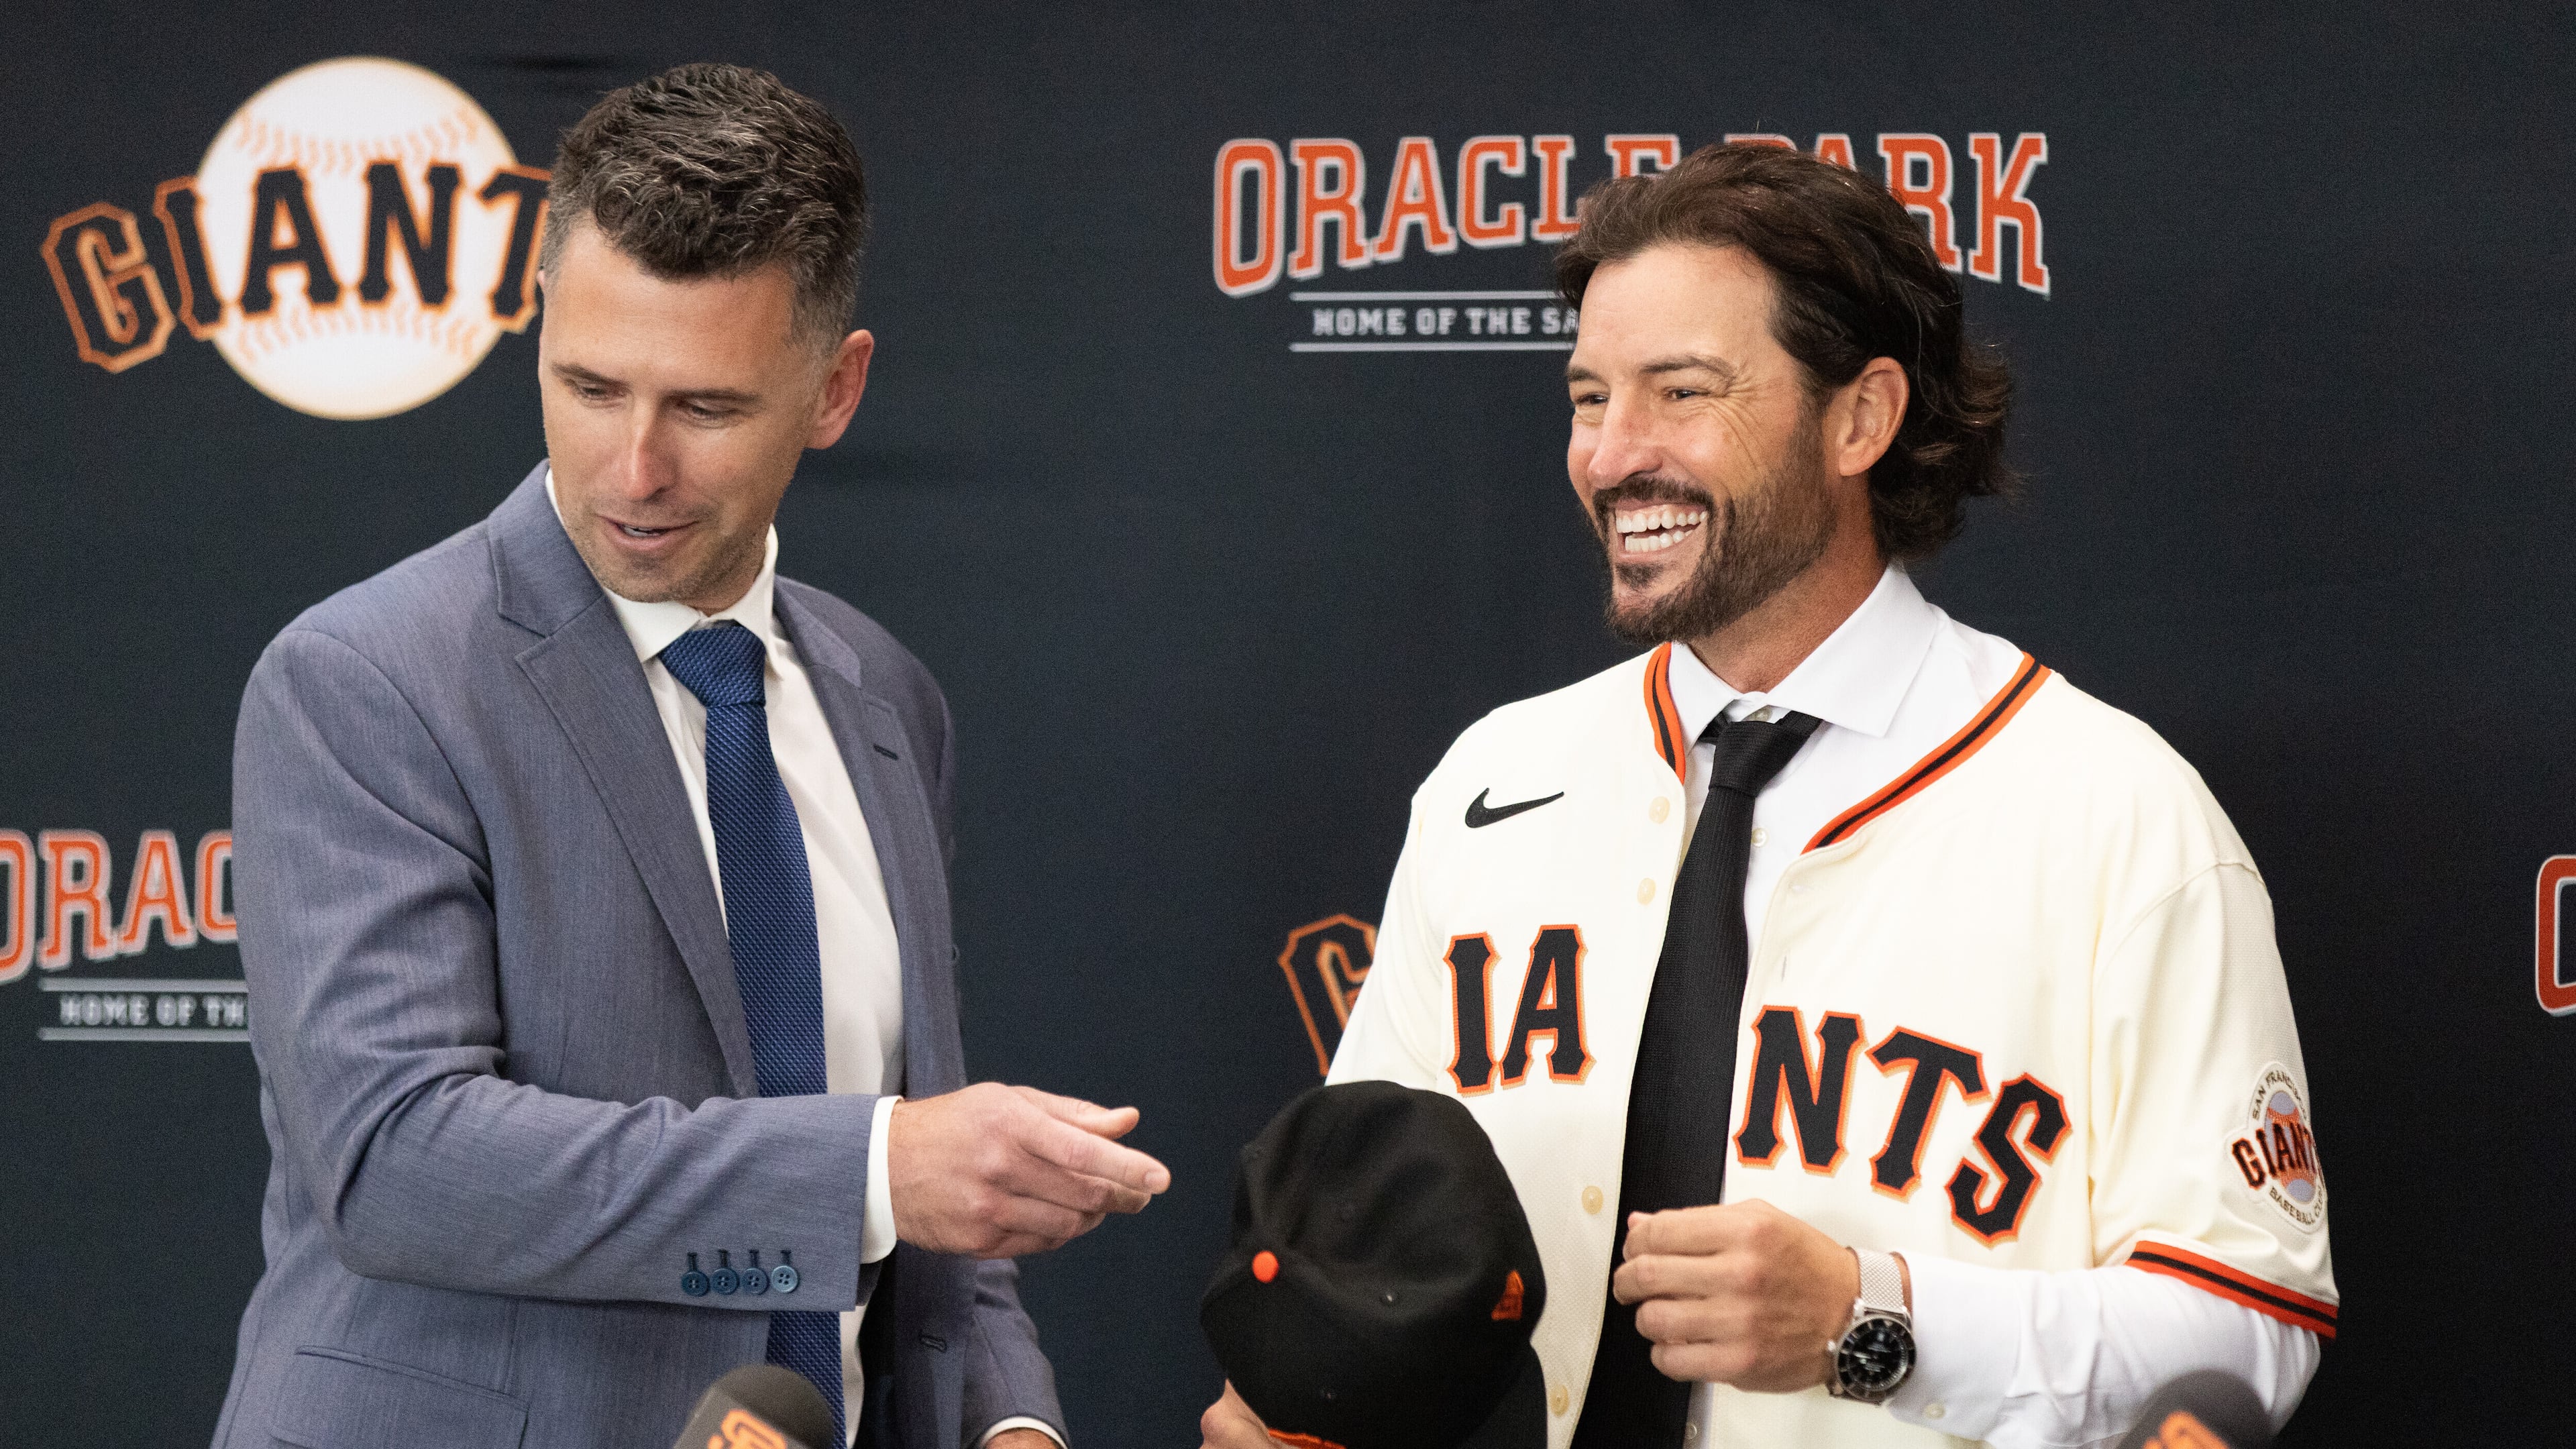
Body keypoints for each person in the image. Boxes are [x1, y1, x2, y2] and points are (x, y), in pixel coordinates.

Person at [1203, 142, 2334, 1449]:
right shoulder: (1494, 784)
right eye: (1587, 397)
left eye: (1680, 392)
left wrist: (1877, 1321)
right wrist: (1309, 1405)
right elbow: (1366, 1235)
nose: (1612, 454)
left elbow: (2254, 1323)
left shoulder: (2114, 815)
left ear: (1861, 417)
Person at [211, 64, 1166, 1449]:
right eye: (589, 386)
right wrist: (877, 1171)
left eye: (707, 409)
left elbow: (926, 1173)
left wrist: (1007, 1419)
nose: (632, 470)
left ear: (835, 391)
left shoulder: (883, 695)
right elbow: (395, 1163)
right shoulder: (364, 680)